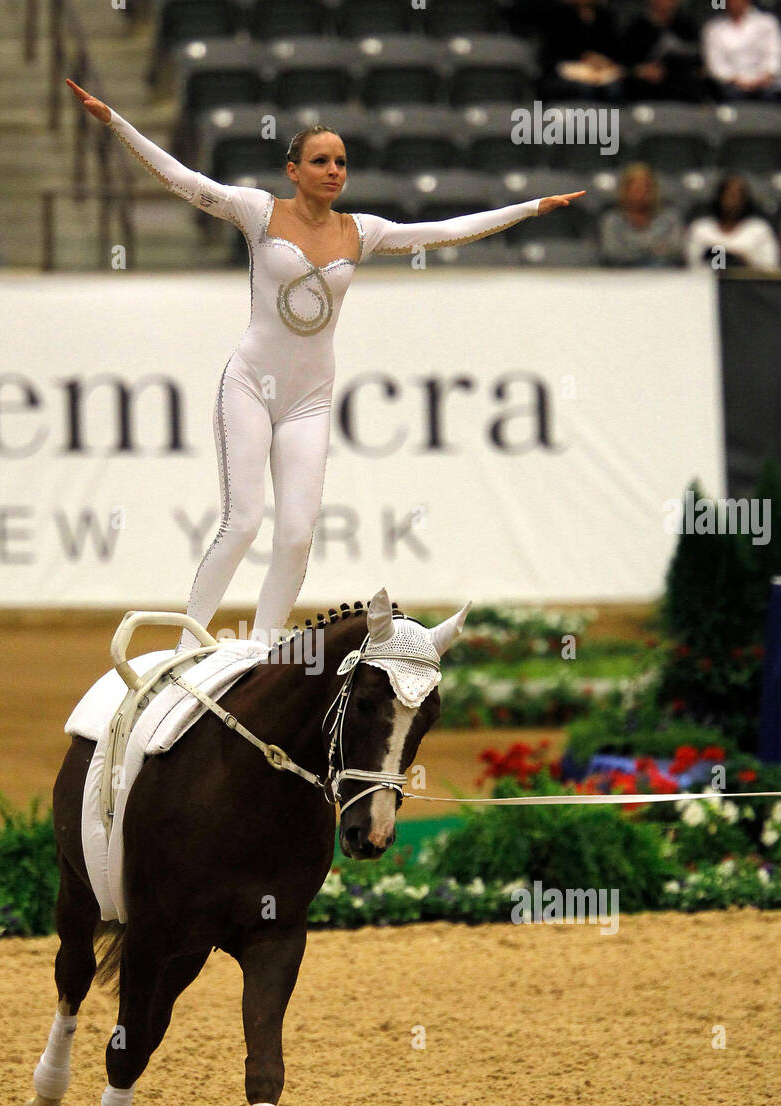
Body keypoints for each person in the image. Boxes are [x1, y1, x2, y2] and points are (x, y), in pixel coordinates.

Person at [66, 80, 585, 651]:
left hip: (309, 399)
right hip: (249, 385)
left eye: (341, 162)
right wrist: (114, 121)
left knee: (295, 536)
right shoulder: (256, 211)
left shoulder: (360, 232)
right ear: (293, 170)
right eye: (320, 161)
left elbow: (444, 232)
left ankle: (259, 655)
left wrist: (530, 208)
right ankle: (186, 648)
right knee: (242, 522)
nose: (333, 170)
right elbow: (183, 180)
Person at [685, 173, 780, 269]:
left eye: (738, 195)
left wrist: (738, 260)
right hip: (706, 281)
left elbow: (770, 266)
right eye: (729, 194)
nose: (733, 200)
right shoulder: (701, 228)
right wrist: (720, 257)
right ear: (720, 196)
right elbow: (692, 264)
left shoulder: (759, 229)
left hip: (748, 281)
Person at [599, 165, 683, 267]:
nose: (642, 193)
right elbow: (613, 252)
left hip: (662, 275)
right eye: (637, 189)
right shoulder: (612, 221)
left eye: (647, 189)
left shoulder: (669, 219)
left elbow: (675, 250)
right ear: (625, 191)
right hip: (622, 276)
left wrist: (633, 247)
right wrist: (652, 248)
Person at [621, 0, 703, 102]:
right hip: (646, 95)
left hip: (683, 95)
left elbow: (697, 62)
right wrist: (641, 70)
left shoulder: (686, 26)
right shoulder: (636, 29)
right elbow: (623, 66)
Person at [541, 0, 624, 97]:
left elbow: (615, 50)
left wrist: (602, 60)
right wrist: (584, 58)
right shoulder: (558, 16)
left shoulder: (605, 17)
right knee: (585, 89)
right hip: (569, 69)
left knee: (614, 87)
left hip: (600, 70)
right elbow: (551, 56)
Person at [703, 0, 781, 100]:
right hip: (732, 86)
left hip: (767, 84)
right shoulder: (713, 28)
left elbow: (774, 54)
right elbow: (715, 64)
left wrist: (766, 77)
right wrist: (736, 80)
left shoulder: (767, 22)